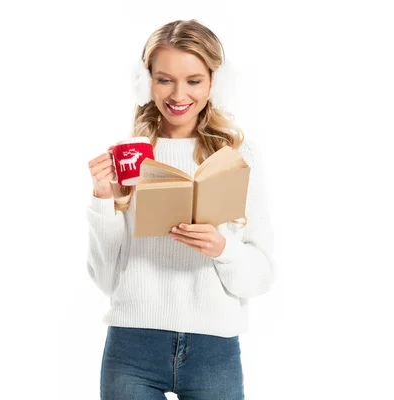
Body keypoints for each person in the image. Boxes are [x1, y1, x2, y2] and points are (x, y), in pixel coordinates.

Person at [86, 19, 276, 400]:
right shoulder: (128, 156)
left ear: (214, 84)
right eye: (164, 79)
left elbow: (260, 278)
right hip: (131, 347)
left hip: (214, 350)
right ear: (146, 82)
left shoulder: (238, 158)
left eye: (193, 80)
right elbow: (106, 279)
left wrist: (222, 249)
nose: (178, 94)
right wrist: (103, 198)